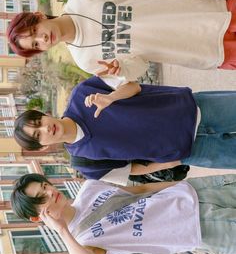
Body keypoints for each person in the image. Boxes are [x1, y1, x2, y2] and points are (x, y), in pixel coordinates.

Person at [7, 0, 236, 90]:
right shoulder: (86, 60)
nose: (43, 39)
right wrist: (122, 70)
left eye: (35, 32)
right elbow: (139, 67)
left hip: (215, 11)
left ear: (38, 16)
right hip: (208, 51)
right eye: (36, 44)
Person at [10, 172, 236, 254]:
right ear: (38, 218)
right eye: (41, 197)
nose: (50, 192)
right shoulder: (81, 240)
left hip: (198, 192)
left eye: (45, 185)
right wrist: (61, 231)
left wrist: (186, 185)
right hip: (195, 226)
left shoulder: (88, 188)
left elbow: (140, 190)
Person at [13, 76, 236, 182]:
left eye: (39, 122)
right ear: (42, 147)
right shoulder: (85, 163)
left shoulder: (82, 94)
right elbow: (134, 169)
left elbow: (133, 85)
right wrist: (177, 161)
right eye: (38, 135)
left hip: (193, 107)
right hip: (193, 150)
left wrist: (111, 97)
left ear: (43, 114)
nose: (45, 128)